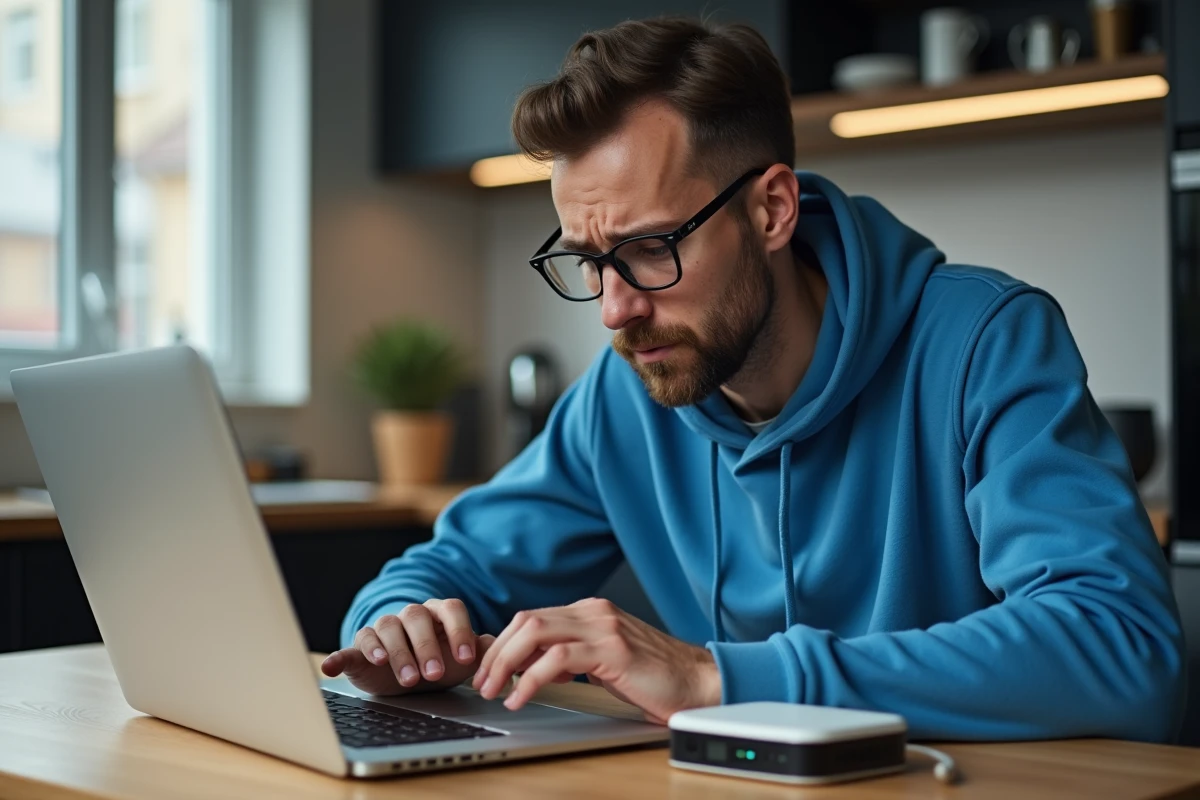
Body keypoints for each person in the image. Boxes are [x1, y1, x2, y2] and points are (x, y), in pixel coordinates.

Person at [322, 16, 1185, 740]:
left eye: (652, 248)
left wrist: (713, 679)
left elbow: (1120, 644)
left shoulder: (983, 342)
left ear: (771, 209)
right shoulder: (628, 394)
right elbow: (443, 568)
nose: (615, 312)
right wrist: (400, 625)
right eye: (590, 262)